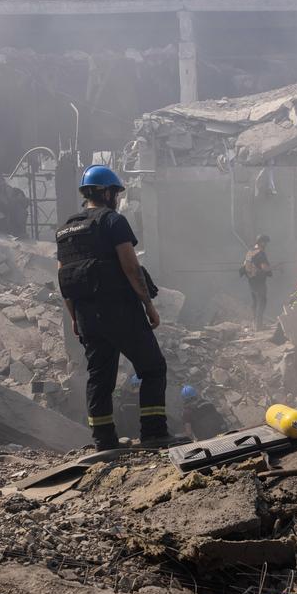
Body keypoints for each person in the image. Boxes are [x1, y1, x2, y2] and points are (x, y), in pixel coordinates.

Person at [56, 165, 179, 450]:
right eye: (116, 193)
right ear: (107, 192)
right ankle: (153, 433)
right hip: (119, 309)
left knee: (100, 377)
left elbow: (64, 278)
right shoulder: (112, 221)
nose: (117, 198)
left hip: (87, 315)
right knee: (152, 367)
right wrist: (148, 304)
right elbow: (130, 266)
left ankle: (104, 441)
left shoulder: (65, 230)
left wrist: (75, 318)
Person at [240, 234, 272, 330]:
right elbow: (264, 267)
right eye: (265, 242)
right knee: (262, 301)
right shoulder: (260, 253)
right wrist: (270, 269)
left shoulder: (250, 252)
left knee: (255, 302)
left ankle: (255, 324)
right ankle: (259, 325)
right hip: (259, 281)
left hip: (251, 281)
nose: (266, 244)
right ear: (262, 242)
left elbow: (245, 266)